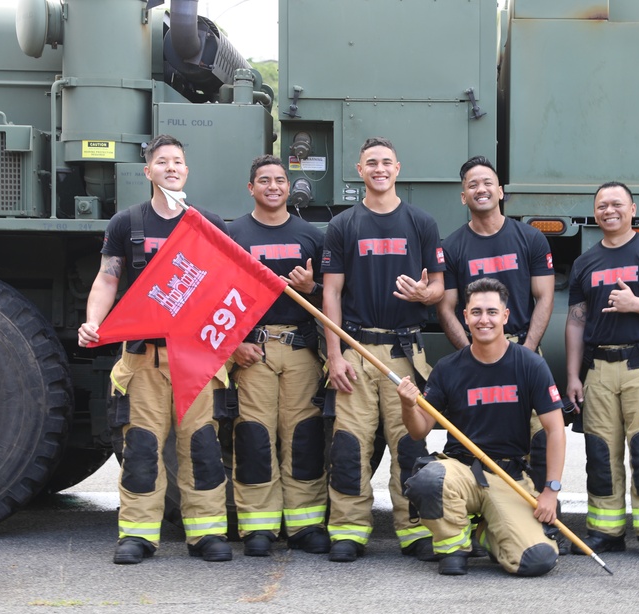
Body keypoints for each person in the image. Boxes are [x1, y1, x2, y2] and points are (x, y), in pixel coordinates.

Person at [78, 134, 233, 564]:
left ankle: (207, 534)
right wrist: (94, 322)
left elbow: (226, 288)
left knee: (202, 447)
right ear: (147, 172)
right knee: (142, 448)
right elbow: (108, 278)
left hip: (197, 358)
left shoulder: (207, 225)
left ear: (186, 171)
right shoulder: (128, 223)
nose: (170, 167)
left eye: (177, 162)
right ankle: (138, 536)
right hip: (143, 358)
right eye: (161, 161)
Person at [320, 136, 445, 563]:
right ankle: (349, 531)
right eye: (370, 162)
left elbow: (439, 287)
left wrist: (423, 295)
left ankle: (414, 531)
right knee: (350, 447)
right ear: (359, 171)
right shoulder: (343, 225)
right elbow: (331, 293)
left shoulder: (421, 223)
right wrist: (335, 355)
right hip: (356, 349)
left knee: (409, 446)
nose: (379, 168)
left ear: (398, 168)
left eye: (386, 162)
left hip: (404, 352)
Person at [399, 277, 565, 576]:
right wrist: (408, 405)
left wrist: (551, 491)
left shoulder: (530, 365)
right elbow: (418, 431)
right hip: (461, 470)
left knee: (537, 561)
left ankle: (487, 534)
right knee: (428, 480)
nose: (483, 319)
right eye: (476, 312)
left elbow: (555, 430)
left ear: (505, 316)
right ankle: (453, 546)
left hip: (507, 475)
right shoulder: (448, 368)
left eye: (491, 312)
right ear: (465, 317)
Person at [436, 156, 558, 546]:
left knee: (541, 439)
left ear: (501, 190)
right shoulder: (452, 247)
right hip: (478, 357)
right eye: (472, 184)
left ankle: (544, 516)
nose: (481, 189)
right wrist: (475, 352)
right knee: (478, 440)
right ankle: (480, 518)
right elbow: (447, 307)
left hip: (523, 350)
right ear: (463, 196)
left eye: (488, 183)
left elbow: (544, 297)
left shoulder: (530, 239)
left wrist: (525, 351)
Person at [565, 182, 639, 562]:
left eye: (616, 204)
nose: (608, 211)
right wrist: (572, 375)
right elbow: (575, 322)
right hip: (598, 369)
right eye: (601, 205)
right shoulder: (586, 262)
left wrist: (637, 303)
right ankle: (606, 531)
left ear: (633, 209)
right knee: (600, 454)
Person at [226, 155, 329, 557]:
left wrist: (311, 287)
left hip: (301, 350)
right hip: (254, 350)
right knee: (253, 437)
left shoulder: (311, 235)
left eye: (280, 180)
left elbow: (332, 296)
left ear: (289, 188)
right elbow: (216, 296)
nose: (273, 186)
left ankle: (304, 524)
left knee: (303, 437)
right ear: (250, 188)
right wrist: (233, 344)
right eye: (264, 180)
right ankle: (259, 526)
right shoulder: (232, 234)